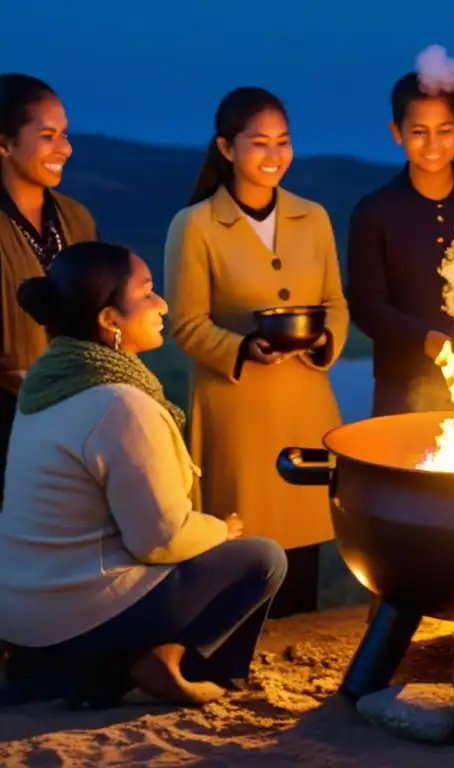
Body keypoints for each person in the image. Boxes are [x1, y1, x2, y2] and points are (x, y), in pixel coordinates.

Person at [0, 241, 287, 708]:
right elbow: (157, 540)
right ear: (110, 319)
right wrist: (221, 530)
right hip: (70, 619)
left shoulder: (49, 381)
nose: (163, 305)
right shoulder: (119, 404)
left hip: (22, 618)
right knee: (259, 558)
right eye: (149, 292)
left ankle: (82, 670)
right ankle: (154, 666)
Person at [165, 87, 348, 619]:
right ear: (226, 148)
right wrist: (242, 347)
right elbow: (186, 324)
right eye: (259, 143)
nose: (274, 156)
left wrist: (324, 339)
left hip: (304, 406)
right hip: (236, 410)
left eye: (283, 142)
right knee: (243, 549)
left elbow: (334, 302)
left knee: (304, 551)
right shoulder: (195, 224)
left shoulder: (312, 218)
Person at [347, 72, 454, 417]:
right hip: (403, 387)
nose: (432, 144)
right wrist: (425, 339)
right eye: (418, 132)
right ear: (397, 133)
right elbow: (366, 306)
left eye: (444, 130)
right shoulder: (375, 211)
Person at [0, 74, 98, 506]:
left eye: (65, 134)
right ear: (4, 143)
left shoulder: (76, 219)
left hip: (76, 419)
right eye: (47, 136)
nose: (65, 148)